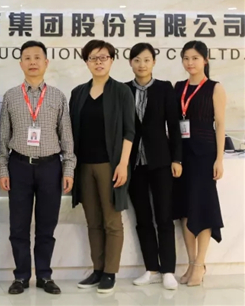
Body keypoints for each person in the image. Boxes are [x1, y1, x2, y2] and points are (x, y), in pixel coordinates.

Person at [0, 41, 76, 296]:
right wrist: (3, 169)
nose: (32, 62)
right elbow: (3, 137)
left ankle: (44, 275)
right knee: (18, 227)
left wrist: (68, 169)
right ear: (21, 63)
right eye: (27, 58)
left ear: (46, 62)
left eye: (37, 57)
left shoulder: (57, 96)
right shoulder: (11, 96)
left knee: (46, 226)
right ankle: (21, 276)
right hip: (19, 166)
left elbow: (66, 137)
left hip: (50, 167)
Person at [69, 39, 134, 294]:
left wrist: (123, 164)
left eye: (103, 57)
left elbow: (129, 130)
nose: (98, 62)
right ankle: (97, 270)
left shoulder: (121, 91)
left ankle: (110, 272)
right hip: (84, 166)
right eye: (93, 58)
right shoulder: (78, 93)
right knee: (93, 220)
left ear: (112, 60)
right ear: (86, 62)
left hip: (110, 165)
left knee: (112, 221)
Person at [125, 43, 182, 290]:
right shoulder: (124, 90)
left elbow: (174, 126)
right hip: (133, 164)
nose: (142, 65)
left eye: (146, 60)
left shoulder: (164, 88)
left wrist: (177, 159)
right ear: (130, 63)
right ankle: (151, 269)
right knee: (143, 218)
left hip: (161, 161)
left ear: (154, 62)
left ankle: (168, 270)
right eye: (137, 60)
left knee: (164, 217)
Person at [173, 40, 225, 287]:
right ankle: (192, 262)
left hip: (205, 154)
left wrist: (219, 159)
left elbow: (220, 125)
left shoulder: (215, 88)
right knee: (184, 209)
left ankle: (199, 264)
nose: (190, 63)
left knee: (202, 208)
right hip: (181, 154)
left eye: (195, 58)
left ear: (205, 60)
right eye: (186, 58)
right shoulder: (178, 87)